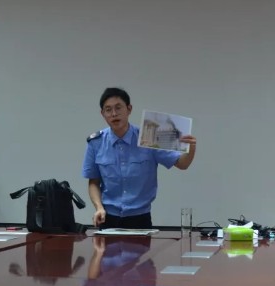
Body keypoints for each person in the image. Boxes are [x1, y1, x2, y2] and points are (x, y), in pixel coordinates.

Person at [82, 87, 197, 229]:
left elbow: (182, 164)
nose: (114, 114)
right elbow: (93, 182)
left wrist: (191, 148)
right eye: (108, 110)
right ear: (102, 114)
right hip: (107, 217)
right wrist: (98, 207)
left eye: (118, 108)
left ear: (129, 109)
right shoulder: (96, 143)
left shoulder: (149, 137)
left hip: (140, 218)